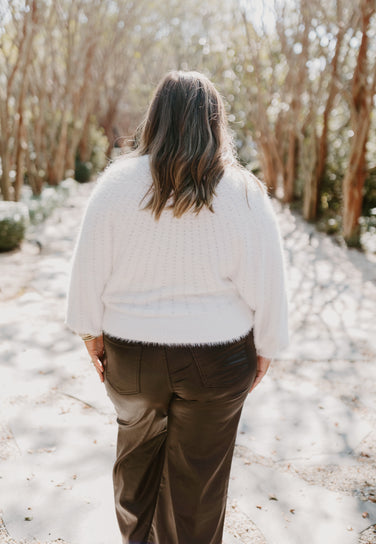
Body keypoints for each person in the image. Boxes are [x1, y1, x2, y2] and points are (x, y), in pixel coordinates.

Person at [65, 70, 288, 544]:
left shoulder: (114, 184)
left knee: (135, 465)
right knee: (198, 486)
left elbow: (86, 273)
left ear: (156, 118)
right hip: (218, 360)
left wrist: (91, 336)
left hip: (132, 358)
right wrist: (266, 348)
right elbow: (269, 285)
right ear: (215, 122)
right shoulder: (244, 192)